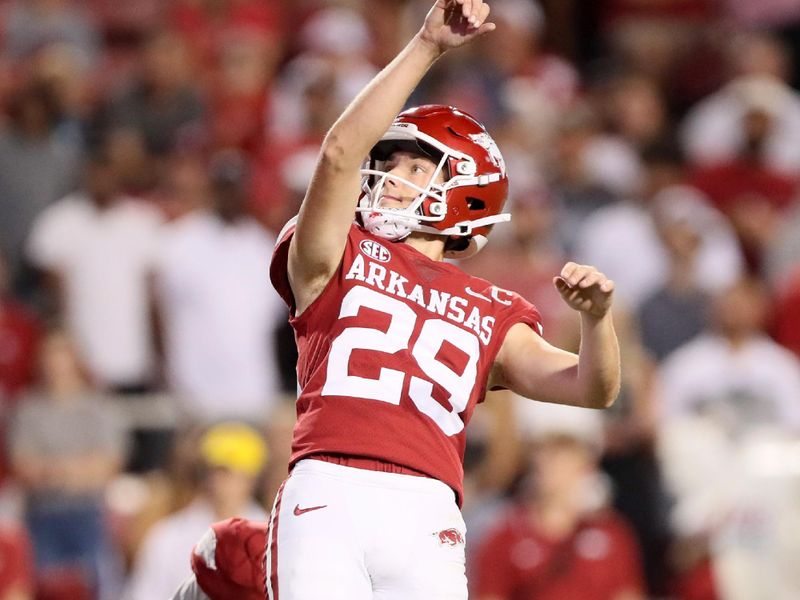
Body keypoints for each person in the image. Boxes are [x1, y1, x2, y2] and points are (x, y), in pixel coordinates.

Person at [185, 2, 621, 598]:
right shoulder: (342, 250)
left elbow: (592, 388)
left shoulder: (494, 304)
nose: (388, 176)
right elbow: (340, 154)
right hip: (330, 488)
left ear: (466, 194)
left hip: (429, 512)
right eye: (388, 162)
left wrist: (596, 321)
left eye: (415, 166)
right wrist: (426, 46)